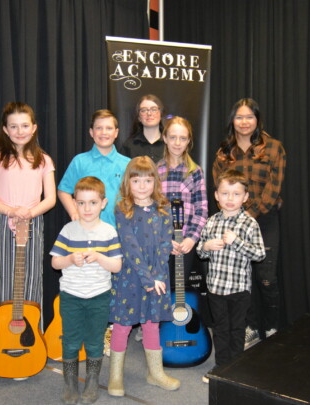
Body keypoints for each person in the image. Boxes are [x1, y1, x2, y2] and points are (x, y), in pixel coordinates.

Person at [213, 98, 286, 350]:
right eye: (239, 117)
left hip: (264, 221)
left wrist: (248, 216)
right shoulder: (224, 153)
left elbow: (273, 189)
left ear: (257, 120)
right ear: (232, 121)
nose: (244, 122)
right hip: (233, 223)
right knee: (242, 280)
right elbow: (220, 189)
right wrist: (236, 218)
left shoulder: (274, 148)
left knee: (266, 278)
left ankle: (272, 327)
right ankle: (251, 328)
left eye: (249, 117)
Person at [107, 156, 180, 397]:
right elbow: (130, 247)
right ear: (128, 182)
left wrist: (157, 276)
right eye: (136, 180)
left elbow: (165, 244)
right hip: (130, 276)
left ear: (155, 182)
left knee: (152, 323)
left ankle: (155, 373)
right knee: (122, 325)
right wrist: (148, 279)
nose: (142, 186)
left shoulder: (163, 209)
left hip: (157, 278)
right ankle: (115, 376)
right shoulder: (123, 209)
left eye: (147, 180)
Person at [50, 177, 122, 404]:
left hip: (99, 296)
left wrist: (99, 257)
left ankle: (92, 380)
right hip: (71, 296)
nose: (87, 208)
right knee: (70, 341)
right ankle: (70, 382)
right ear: (74, 203)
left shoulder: (109, 232)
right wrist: (70, 259)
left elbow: (116, 266)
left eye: (93, 202)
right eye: (81, 203)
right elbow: (55, 263)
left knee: (94, 341)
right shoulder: (68, 230)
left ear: (103, 203)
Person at [0, 101, 56, 311]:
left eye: (24, 126)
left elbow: (50, 198)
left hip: (32, 221)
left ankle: (32, 330)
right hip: (3, 222)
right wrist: (11, 211)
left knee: (31, 278)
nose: (20, 131)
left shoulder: (44, 160)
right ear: (5, 130)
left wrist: (29, 213)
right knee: (3, 276)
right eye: (13, 126)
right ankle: (3, 329)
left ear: (34, 128)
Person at [197, 169, 266, 383]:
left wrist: (236, 242)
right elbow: (200, 251)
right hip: (216, 288)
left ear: (245, 197)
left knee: (236, 329)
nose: (230, 198)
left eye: (236, 194)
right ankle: (220, 367)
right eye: (225, 193)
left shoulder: (249, 223)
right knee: (220, 328)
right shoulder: (211, 221)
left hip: (239, 290)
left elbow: (260, 254)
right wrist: (206, 246)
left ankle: (235, 368)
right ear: (216, 195)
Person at [157, 116, 208, 288]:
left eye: (183, 138)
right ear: (165, 138)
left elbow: (201, 209)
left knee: (178, 289)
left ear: (188, 141)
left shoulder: (195, 172)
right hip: (161, 242)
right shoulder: (155, 171)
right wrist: (164, 239)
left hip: (185, 243)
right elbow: (151, 210)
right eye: (173, 137)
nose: (177, 143)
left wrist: (191, 239)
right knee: (160, 289)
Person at [58, 109, 130, 227]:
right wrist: (74, 213)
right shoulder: (79, 161)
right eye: (99, 128)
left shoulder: (127, 164)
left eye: (109, 128)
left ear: (116, 133)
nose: (104, 132)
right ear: (91, 132)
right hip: (86, 229)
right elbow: (63, 191)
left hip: (119, 230)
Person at [120, 94, 165, 163]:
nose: (149, 113)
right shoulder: (128, 146)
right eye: (144, 110)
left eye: (154, 109)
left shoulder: (170, 144)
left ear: (161, 114)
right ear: (139, 117)